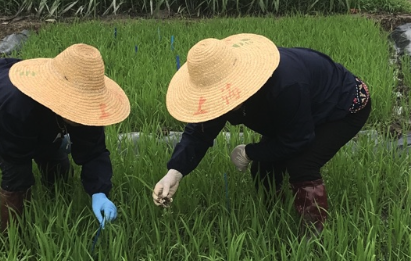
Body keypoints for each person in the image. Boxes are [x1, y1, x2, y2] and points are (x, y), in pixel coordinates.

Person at [151, 33, 371, 234]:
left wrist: (250, 151)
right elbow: (200, 132)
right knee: (263, 168)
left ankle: (315, 233)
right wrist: (175, 171)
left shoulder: (284, 84)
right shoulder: (223, 90)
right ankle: (275, 216)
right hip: (297, 110)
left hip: (342, 108)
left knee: (301, 164)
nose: (218, 103)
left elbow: (298, 139)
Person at [0, 44, 130, 232]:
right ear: (60, 96)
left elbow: (93, 150)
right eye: (79, 104)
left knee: (59, 170)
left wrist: (99, 192)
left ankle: (56, 203)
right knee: (16, 171)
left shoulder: (85, 108)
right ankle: (12, 240)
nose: (83, 112)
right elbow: (16, 157)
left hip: (34, 114)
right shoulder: (18, 105)